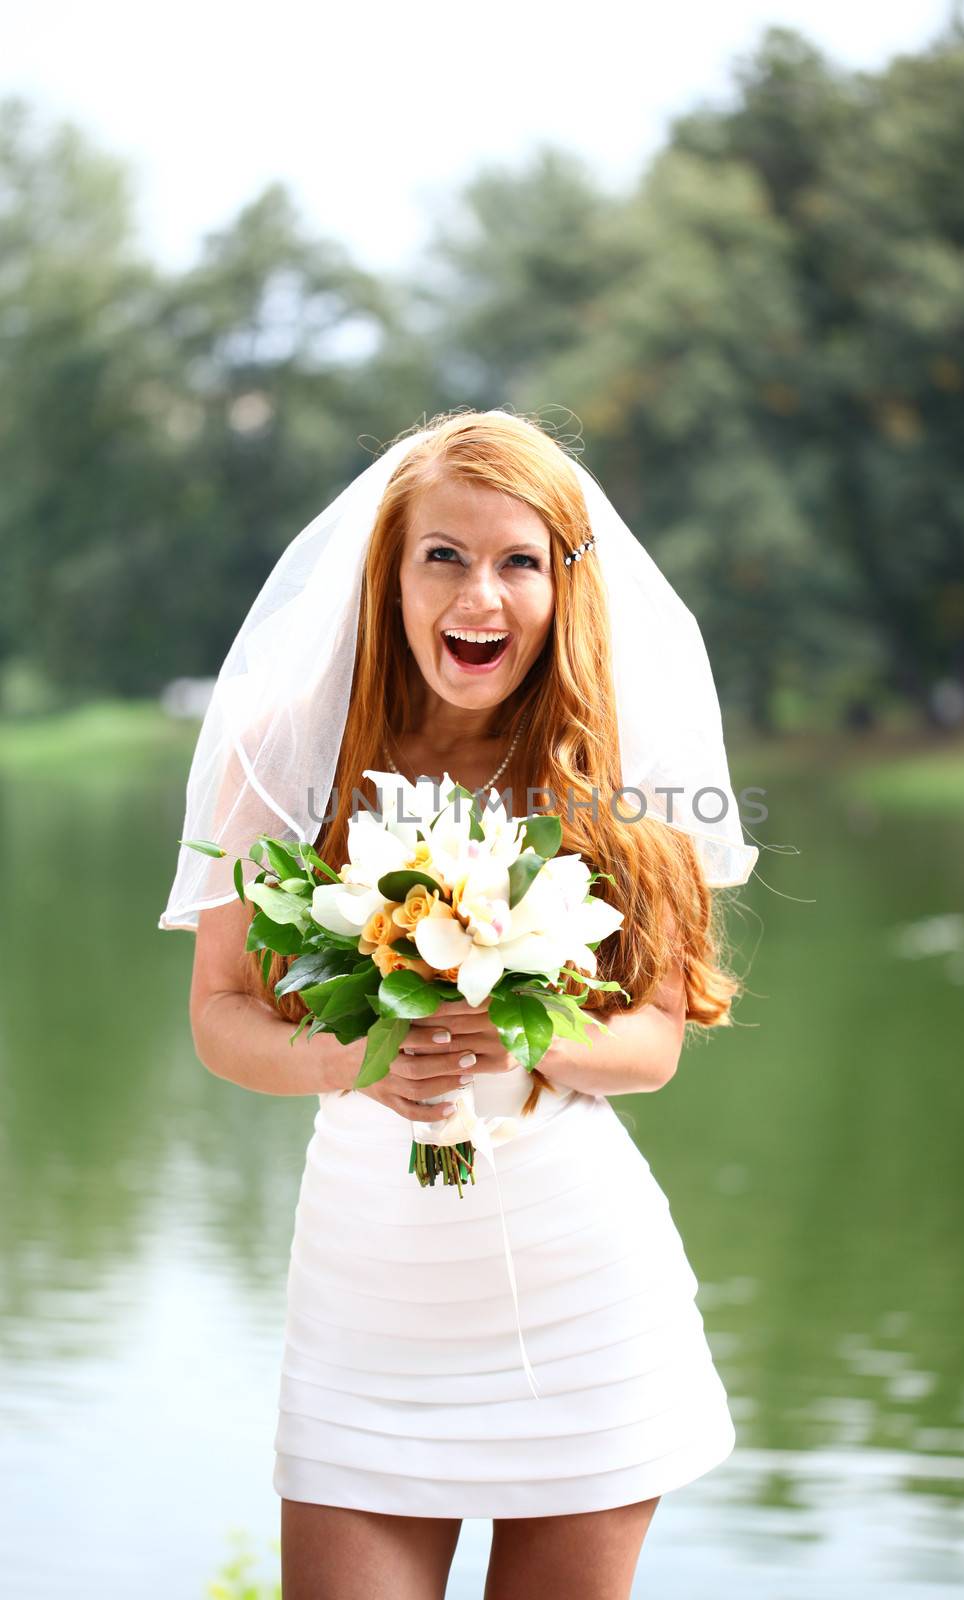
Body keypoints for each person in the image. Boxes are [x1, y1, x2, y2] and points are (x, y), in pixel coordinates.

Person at [161, 408, 759, 1600]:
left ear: (562, 581)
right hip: (365, 1293)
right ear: (387, 574)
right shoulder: (280, 754)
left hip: (578, 1289)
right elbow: (223, 1011)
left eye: (516, 560)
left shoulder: (627, 781)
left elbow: (650, 1047)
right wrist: (355, 1061)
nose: (477, 595)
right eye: (443, 555)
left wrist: (527, 1026)